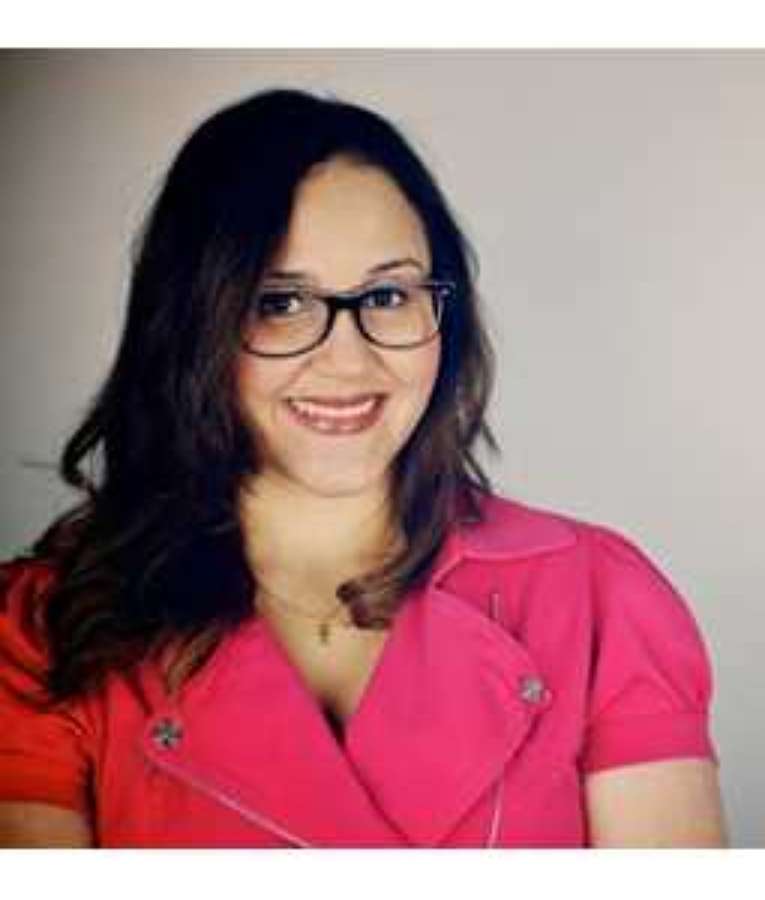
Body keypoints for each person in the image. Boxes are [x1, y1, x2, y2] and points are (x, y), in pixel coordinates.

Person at [0, 89, 727, 848]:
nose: (347, 360)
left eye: (386, 294)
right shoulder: (37, 634)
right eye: (281, 303)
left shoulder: (600, 596)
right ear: (190, 325)